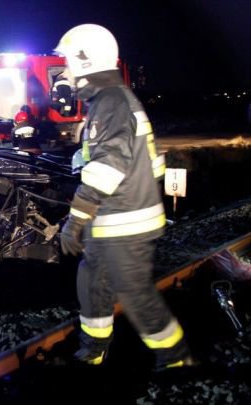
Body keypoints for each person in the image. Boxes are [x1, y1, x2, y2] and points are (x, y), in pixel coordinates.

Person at [54, 24, 190, 371]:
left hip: (125, 222)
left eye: (68, 62)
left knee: (134, 293)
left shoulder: (111, 102)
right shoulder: (111, 100)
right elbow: (147, 164)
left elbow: (110, 166)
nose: (65, 71)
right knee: (92, 283)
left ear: (85, 61)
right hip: (114, 218)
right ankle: (93, 350)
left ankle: (176, 360)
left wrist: (77, 218)